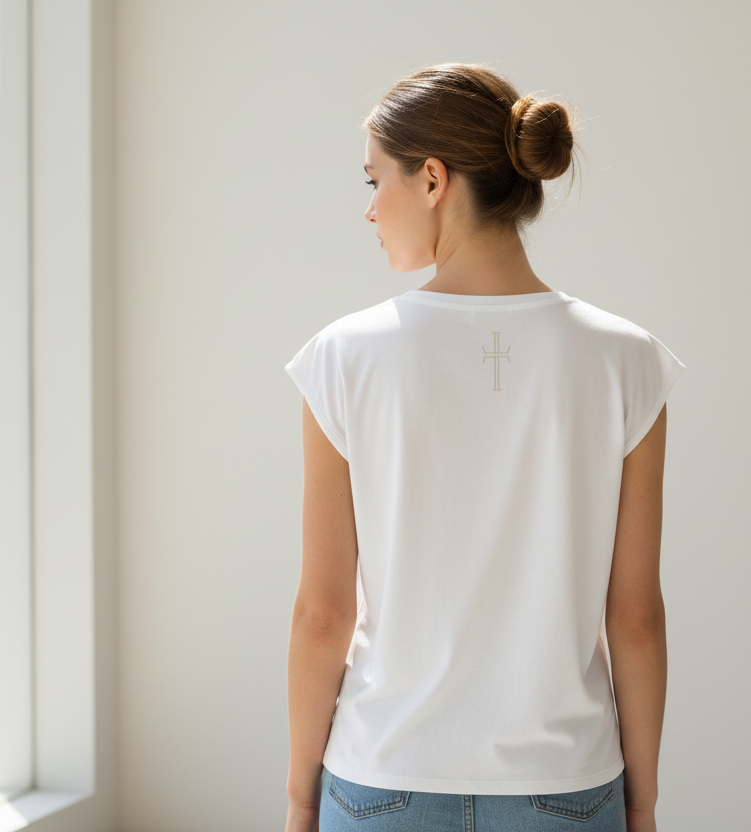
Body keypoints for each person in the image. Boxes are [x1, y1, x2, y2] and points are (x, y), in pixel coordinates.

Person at [283, 62, 684, 832]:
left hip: (382, 779)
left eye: (374, 180)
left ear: (433, 179)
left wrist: (303, 798)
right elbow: (635, 617)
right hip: (566, 786)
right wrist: (642, 801)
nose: (370, 209)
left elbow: (322, 614)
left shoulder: (344, 357)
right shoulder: (627, 360)